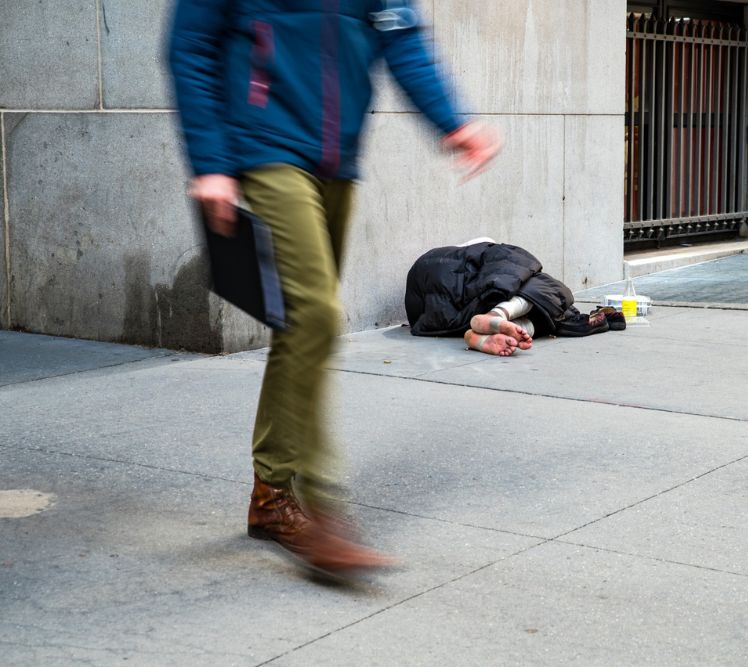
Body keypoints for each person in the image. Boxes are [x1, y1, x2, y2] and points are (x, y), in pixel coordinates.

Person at [167, 0, 500, 577]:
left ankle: (271, 496)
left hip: (335, 161)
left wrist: (452, 121)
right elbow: (191, 45)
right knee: (316, 316)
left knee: (301, 326)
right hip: (265, 148)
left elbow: (401, 37)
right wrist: (210, 161)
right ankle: (325, 513)